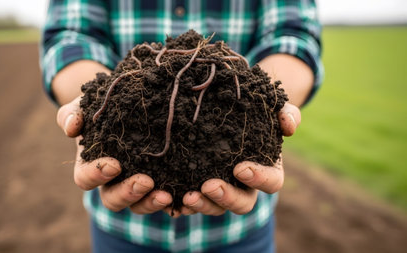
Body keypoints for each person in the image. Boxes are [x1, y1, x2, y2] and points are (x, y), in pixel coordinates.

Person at [40, 0, 323, 252]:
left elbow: (293, 34)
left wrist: (266, 105)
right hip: (122, 234)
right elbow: (71, 34)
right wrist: (93, 107)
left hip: (242, 234)